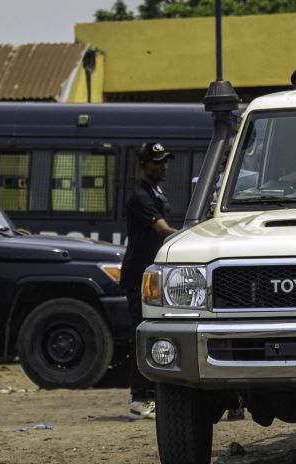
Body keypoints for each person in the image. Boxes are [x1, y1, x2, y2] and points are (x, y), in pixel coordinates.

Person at [120, 142, 179, 420]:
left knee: (156, 335)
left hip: (152, 276)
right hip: (139, 276)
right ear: (143, 165)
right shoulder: (139, 197)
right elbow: (162, 230)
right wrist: (189, 237)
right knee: (140, 338)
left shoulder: (156, 192)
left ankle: (152, 395)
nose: (163, 166)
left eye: (165, 161)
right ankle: (139, 400)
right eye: (157, 162)